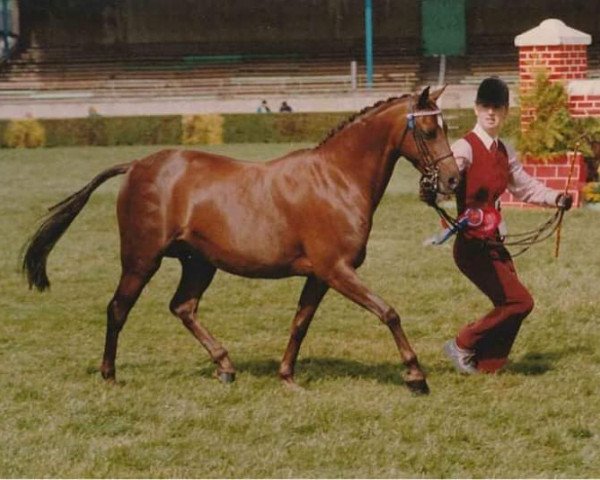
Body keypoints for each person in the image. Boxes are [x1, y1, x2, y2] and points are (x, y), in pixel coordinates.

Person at [429, 77, 573, 374]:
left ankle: (487, 367)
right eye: (485, 106)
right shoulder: (465, 148)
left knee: (510, 305)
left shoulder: (504, 150)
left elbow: (525, 187)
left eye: (497, 107)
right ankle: (461, 344)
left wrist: (556, 197)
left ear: (506, 112)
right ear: (475, 109)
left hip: (495, 240)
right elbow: (450, 177)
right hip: (472, 244)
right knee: (520, 301)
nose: (491, 113)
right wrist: (440, 187)